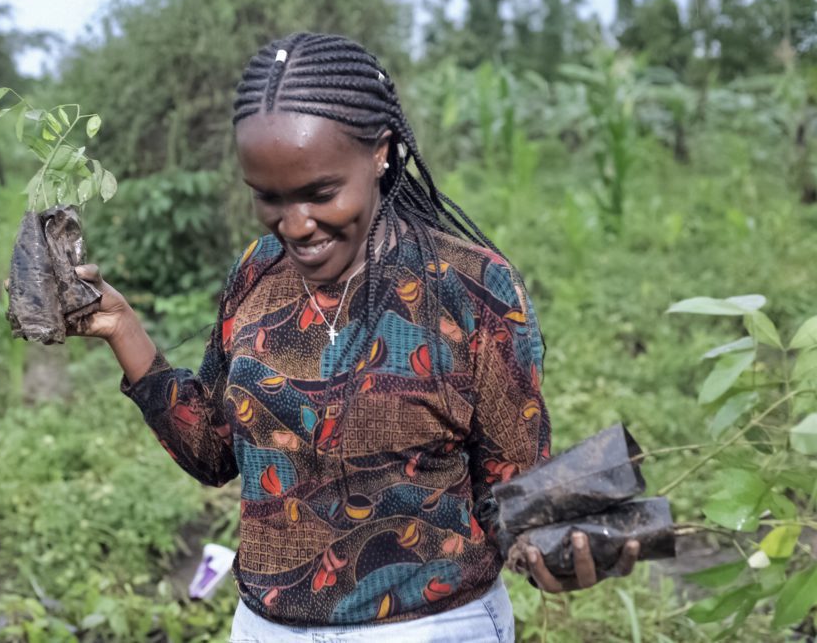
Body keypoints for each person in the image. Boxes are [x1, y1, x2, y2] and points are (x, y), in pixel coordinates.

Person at [71, 33, 640, 642]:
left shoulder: (471, 287)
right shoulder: (257, 274)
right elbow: (214, 454)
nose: (294, 225)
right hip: (267, 628)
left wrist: (545, 549)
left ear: (380, 154)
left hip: (433, 627)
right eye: (268, 198)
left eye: (320, 194)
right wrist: (122, 328)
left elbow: (512, 483)